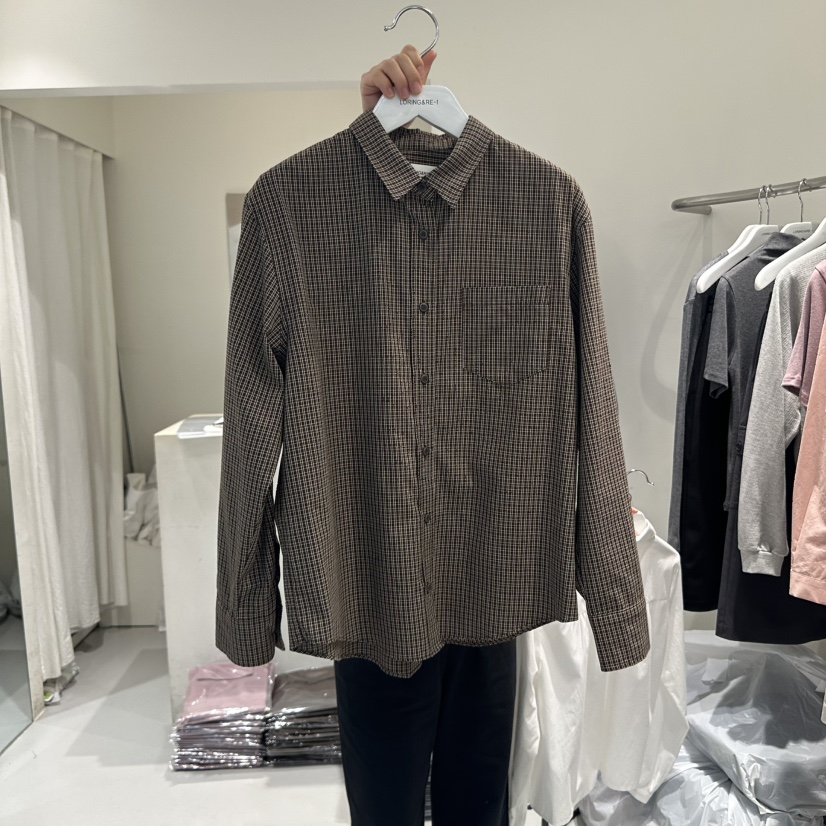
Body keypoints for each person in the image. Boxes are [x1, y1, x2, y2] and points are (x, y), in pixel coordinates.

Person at [331, 45, 516, 826]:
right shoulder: (303, 208)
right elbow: (256, 404)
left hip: (491, 572)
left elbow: (587, 401)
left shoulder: (539, 206)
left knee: (479, 800)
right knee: (385, 805)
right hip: (373, 583)